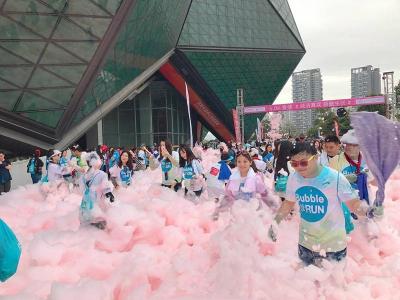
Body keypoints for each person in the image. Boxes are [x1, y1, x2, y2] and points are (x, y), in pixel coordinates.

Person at [268, 142, 378, 266]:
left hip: (333, 246)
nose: (299, 167)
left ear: (316, 158)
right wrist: (276, 221)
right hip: (306, 243)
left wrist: (369, 211)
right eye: (294, 164)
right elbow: (288, 203)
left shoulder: (335, 178)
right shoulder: (294, 178)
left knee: (333, 283)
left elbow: (353, 204)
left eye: (303, 162)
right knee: (306, 281)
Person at [329, 130, 372, 204]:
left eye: (354, 145)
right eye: (347, 144)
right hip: (344, 205)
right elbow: (329, 184)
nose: (349, 147)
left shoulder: (369, 160)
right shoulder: (335, 160)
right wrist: (344, 179)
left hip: (365, 203)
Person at [79, 152, 114, 230]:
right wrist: (109, 194)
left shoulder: (85, 175)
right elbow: (105, 187)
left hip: (87, 200)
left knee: (89, 220)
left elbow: (81, 189)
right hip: (95, 200)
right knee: (97, 220)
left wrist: (109, 193)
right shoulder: (101, 174)